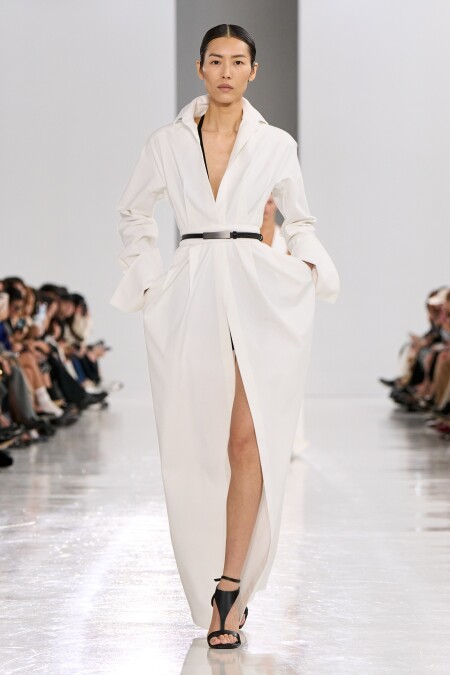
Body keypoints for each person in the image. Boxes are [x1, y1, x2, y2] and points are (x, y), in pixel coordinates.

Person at [110, 24, 340, 649]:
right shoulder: (166, 143)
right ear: (200, 68)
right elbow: (134, 212)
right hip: (190, 290)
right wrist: (150, 279)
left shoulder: (276, 143)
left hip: (257, 287)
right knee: (193, 444)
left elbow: (300, 216)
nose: (227, 72)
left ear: (253, 71)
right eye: (216, 61)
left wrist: (308, 264)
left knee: (248, 440)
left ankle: (229, 589)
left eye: (239, 62)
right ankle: (206, 574)